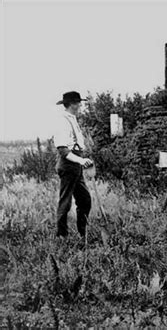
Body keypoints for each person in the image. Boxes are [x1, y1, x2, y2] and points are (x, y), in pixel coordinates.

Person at [53, 91, 93, 240]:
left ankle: (83, 233)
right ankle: (61, 236)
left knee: (85, 200)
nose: (79, 105)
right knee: (66, 201)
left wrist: (82, 160)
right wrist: (81, 161)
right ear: (70, 104)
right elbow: (63, 149)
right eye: (77, 102)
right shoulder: (62, 121)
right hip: (68, 165)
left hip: (76, 165)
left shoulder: (72, 119)